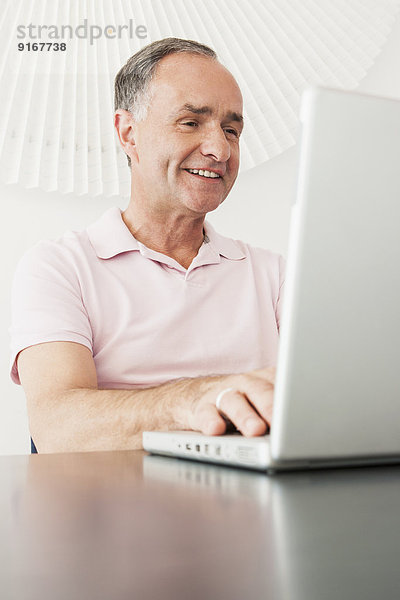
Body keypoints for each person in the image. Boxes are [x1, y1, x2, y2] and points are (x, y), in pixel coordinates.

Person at [10, 38, 285, 453]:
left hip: (250, 509)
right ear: (128, 132)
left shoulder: (277, 275)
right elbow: (56, 428)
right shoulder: (60, 267)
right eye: (191, 122)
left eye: (232, 129)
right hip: (112, 513)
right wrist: (195, 400)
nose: (220, 149)